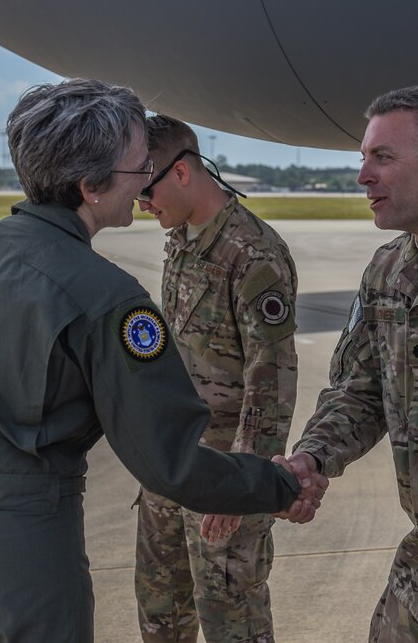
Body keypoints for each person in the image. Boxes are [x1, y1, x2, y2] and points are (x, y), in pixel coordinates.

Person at [0, 78, 322, 643]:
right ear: (91, 186)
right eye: (138, 168)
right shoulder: (107, 297)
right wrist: (279, 485)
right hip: (14, 566)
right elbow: (169, 463)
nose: (143, 186)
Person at [280, 83, 418, 642]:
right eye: (363, 158)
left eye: (382, 157)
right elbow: (361, 388)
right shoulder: (386, 271)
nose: (363, 176)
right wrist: (312, 458)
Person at [135, 114, 299, 643]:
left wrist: (241, 486)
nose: (141, 203)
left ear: (181, 172)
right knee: (162, 613)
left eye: (147, 189)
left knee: (233, 622)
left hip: (223, 477)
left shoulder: (253, 254)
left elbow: (270, 384)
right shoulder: (182, 239)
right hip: (171, 466)